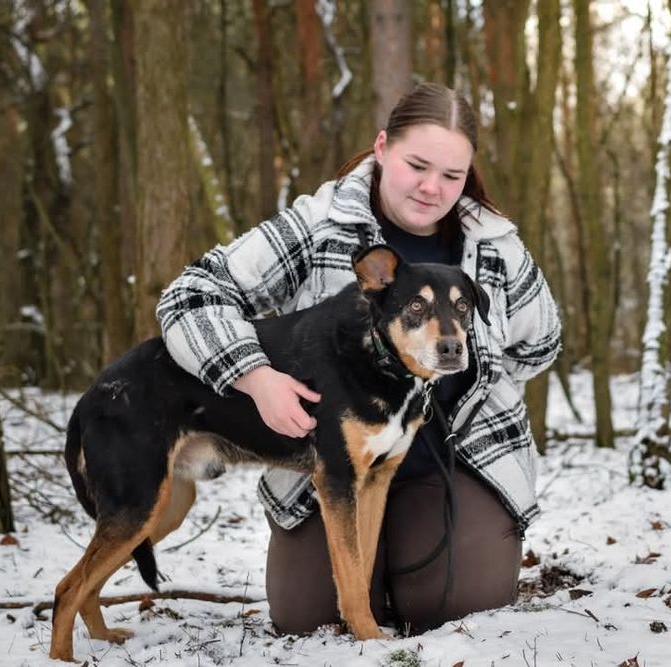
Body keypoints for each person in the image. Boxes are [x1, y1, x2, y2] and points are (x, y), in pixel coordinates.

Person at [156, 82, 561, 636]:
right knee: (308, 619)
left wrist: (472, 385)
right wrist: (253, 376)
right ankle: (373, 572)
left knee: (461, 610)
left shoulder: (495, 245)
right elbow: (190, 295)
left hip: (452, 462)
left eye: (452, 175)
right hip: (329, 464)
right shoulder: (320, 224)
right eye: (417, 164)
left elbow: (541, 344)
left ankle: (425, 552)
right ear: (381, 148)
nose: (431, 187)